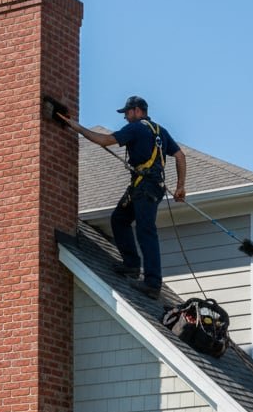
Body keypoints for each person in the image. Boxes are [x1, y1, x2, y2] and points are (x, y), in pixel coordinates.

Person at [62, 96, 186, 298]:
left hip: (145, 187)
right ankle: (131, 265)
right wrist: (180, 187)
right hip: (150, 186)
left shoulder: (135, 128)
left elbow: (104, 140)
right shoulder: (160, 131)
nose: (125, 117)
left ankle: (153, 283)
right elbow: (180, 156)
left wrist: (77, 128)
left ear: (137, 111)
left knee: (146, 232)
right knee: (119, 219)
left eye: (127, 113)